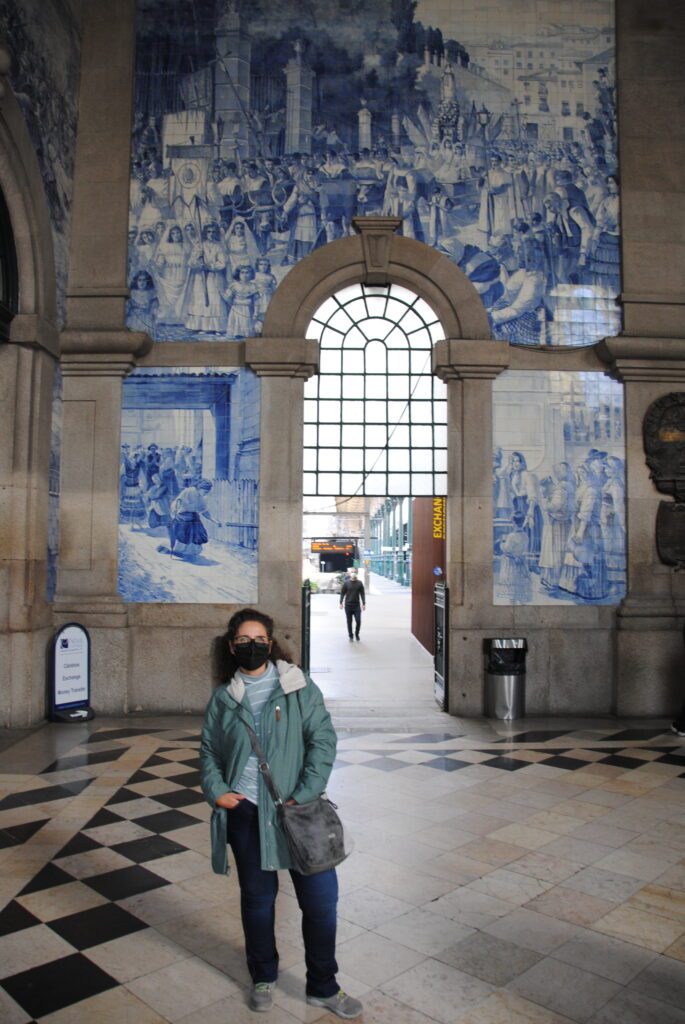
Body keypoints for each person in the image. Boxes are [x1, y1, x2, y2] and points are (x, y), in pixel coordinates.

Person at [200, 609, 362, 1019]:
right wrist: (218, 791)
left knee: (322, 902)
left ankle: (323, 985)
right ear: (231, 645)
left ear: (270, 644)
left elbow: (322, 740)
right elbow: (209, 753)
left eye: (258, 639)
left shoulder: (298, 688)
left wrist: (305, 792)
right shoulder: (224, 697)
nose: (250, 646)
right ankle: (262, 976)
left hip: (299, 812)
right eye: (242, 640)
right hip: (247, 813)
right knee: (257, 901)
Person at [339, 567, 365, 641]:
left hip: (356, 605)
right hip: (348, 606)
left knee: (358, 621)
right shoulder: (346, 583)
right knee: (349, 621)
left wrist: (363, 603)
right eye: (352, 572)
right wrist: (341, 602)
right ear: (350, 574)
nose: (353, 573)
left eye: (354, 572)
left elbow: (362, 593)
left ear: (356, 573)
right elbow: (342, 593)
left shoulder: (359, 583)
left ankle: (357, 633)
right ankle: (350, 635)